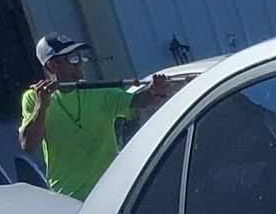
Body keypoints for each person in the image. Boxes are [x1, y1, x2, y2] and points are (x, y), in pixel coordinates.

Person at [17, 36, 173, 200]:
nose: (79, 63)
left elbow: (137, 101)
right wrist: (42, 106)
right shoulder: (34, 98)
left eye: (80, 57)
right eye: (72, 58)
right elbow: (28, 145)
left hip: (111, 190)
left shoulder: (97, 91)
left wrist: (154, 92)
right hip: (68, 196)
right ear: (52, 65)